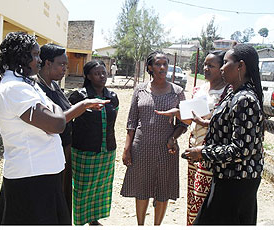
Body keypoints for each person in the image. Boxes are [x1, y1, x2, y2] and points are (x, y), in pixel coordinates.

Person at [184, 44, 264, 225]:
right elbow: (231, 124)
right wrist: (207, 123)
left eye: (226, 62)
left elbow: (241, 149)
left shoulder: (245, 99)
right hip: (225, 176)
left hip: (237, 182)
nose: (221, 68)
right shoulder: (233, 94)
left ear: (240, 66)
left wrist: (203, 152)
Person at [0, 31, 66, 225]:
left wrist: (52, 108)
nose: (39, 60)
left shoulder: (25, 84)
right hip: (32, 178)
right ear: (20, 56)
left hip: (41, 174)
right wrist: (56, 107)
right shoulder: (14, 89)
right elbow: (57, 123)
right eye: (34, 55)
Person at [37, 43, 110, 221]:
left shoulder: (55, 86)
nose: (65, 68)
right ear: (47, 63)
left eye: (66, 65)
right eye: (61, 64)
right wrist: (83, 106)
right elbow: (57, 120)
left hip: (65, 148)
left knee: (64, 194)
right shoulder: (38, 90)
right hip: (48, 152)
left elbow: (66, 110)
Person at [120, 50, 188, 226]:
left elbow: (184, 122)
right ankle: (140, 225)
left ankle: (157, 226)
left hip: (167, 148)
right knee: (142, 188)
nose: (163, 67)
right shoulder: (140, 89)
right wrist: (127, 149)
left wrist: (173, 137)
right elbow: (132, 121)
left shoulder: (177, 92)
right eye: (158, 64)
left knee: (163, 189)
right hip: (141, 147)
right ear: (150, 67)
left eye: (165, 63)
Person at [68, 60, 119, 226]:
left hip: (107, 150)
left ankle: (93, 219)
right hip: (84, 150)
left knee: (101, 187)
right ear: (88, 76)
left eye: (104, 72)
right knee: (82, 188)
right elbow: (68, 120)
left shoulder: (112, 97)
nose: (102, 76)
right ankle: (80, 220)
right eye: (97, 73)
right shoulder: (79, 96)